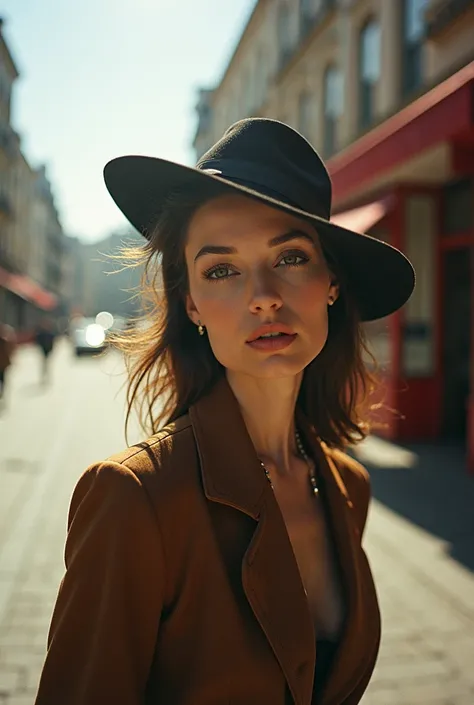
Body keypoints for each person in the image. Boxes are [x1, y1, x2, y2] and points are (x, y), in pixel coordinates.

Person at [35, 118, 415, 705]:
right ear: (191, 305)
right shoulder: (133, 496)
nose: (263, 294)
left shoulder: (347, 487)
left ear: (332, 282)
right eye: (221, 270)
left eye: (290, 257)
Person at [34, 318, 56, 384]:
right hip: (43, 350)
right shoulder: (41, 333)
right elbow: (38, 341)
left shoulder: (50, 334)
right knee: (44, 363)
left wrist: (51, 349)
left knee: (46, 363)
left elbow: (52, 342)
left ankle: (46, 375)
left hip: (48, 350)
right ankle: (44, 375)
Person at [0, 322, 15, 405]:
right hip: (3, 365)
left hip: (2, 365)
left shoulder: (4, 341)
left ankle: (2, 392)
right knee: (3, 380)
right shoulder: (5, 340)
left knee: (2, 379)